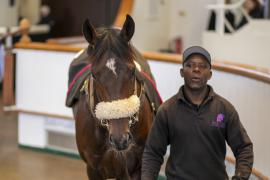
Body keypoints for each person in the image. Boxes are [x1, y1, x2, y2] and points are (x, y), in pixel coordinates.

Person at [141, 46, 254, 180]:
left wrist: (240, 177)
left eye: (202, 66)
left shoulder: (224, 109)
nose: (196, 69)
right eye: (190, 65)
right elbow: (152, 153)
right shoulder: (167, 110)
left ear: (210, 74)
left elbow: (244, 148)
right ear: (182, 72)